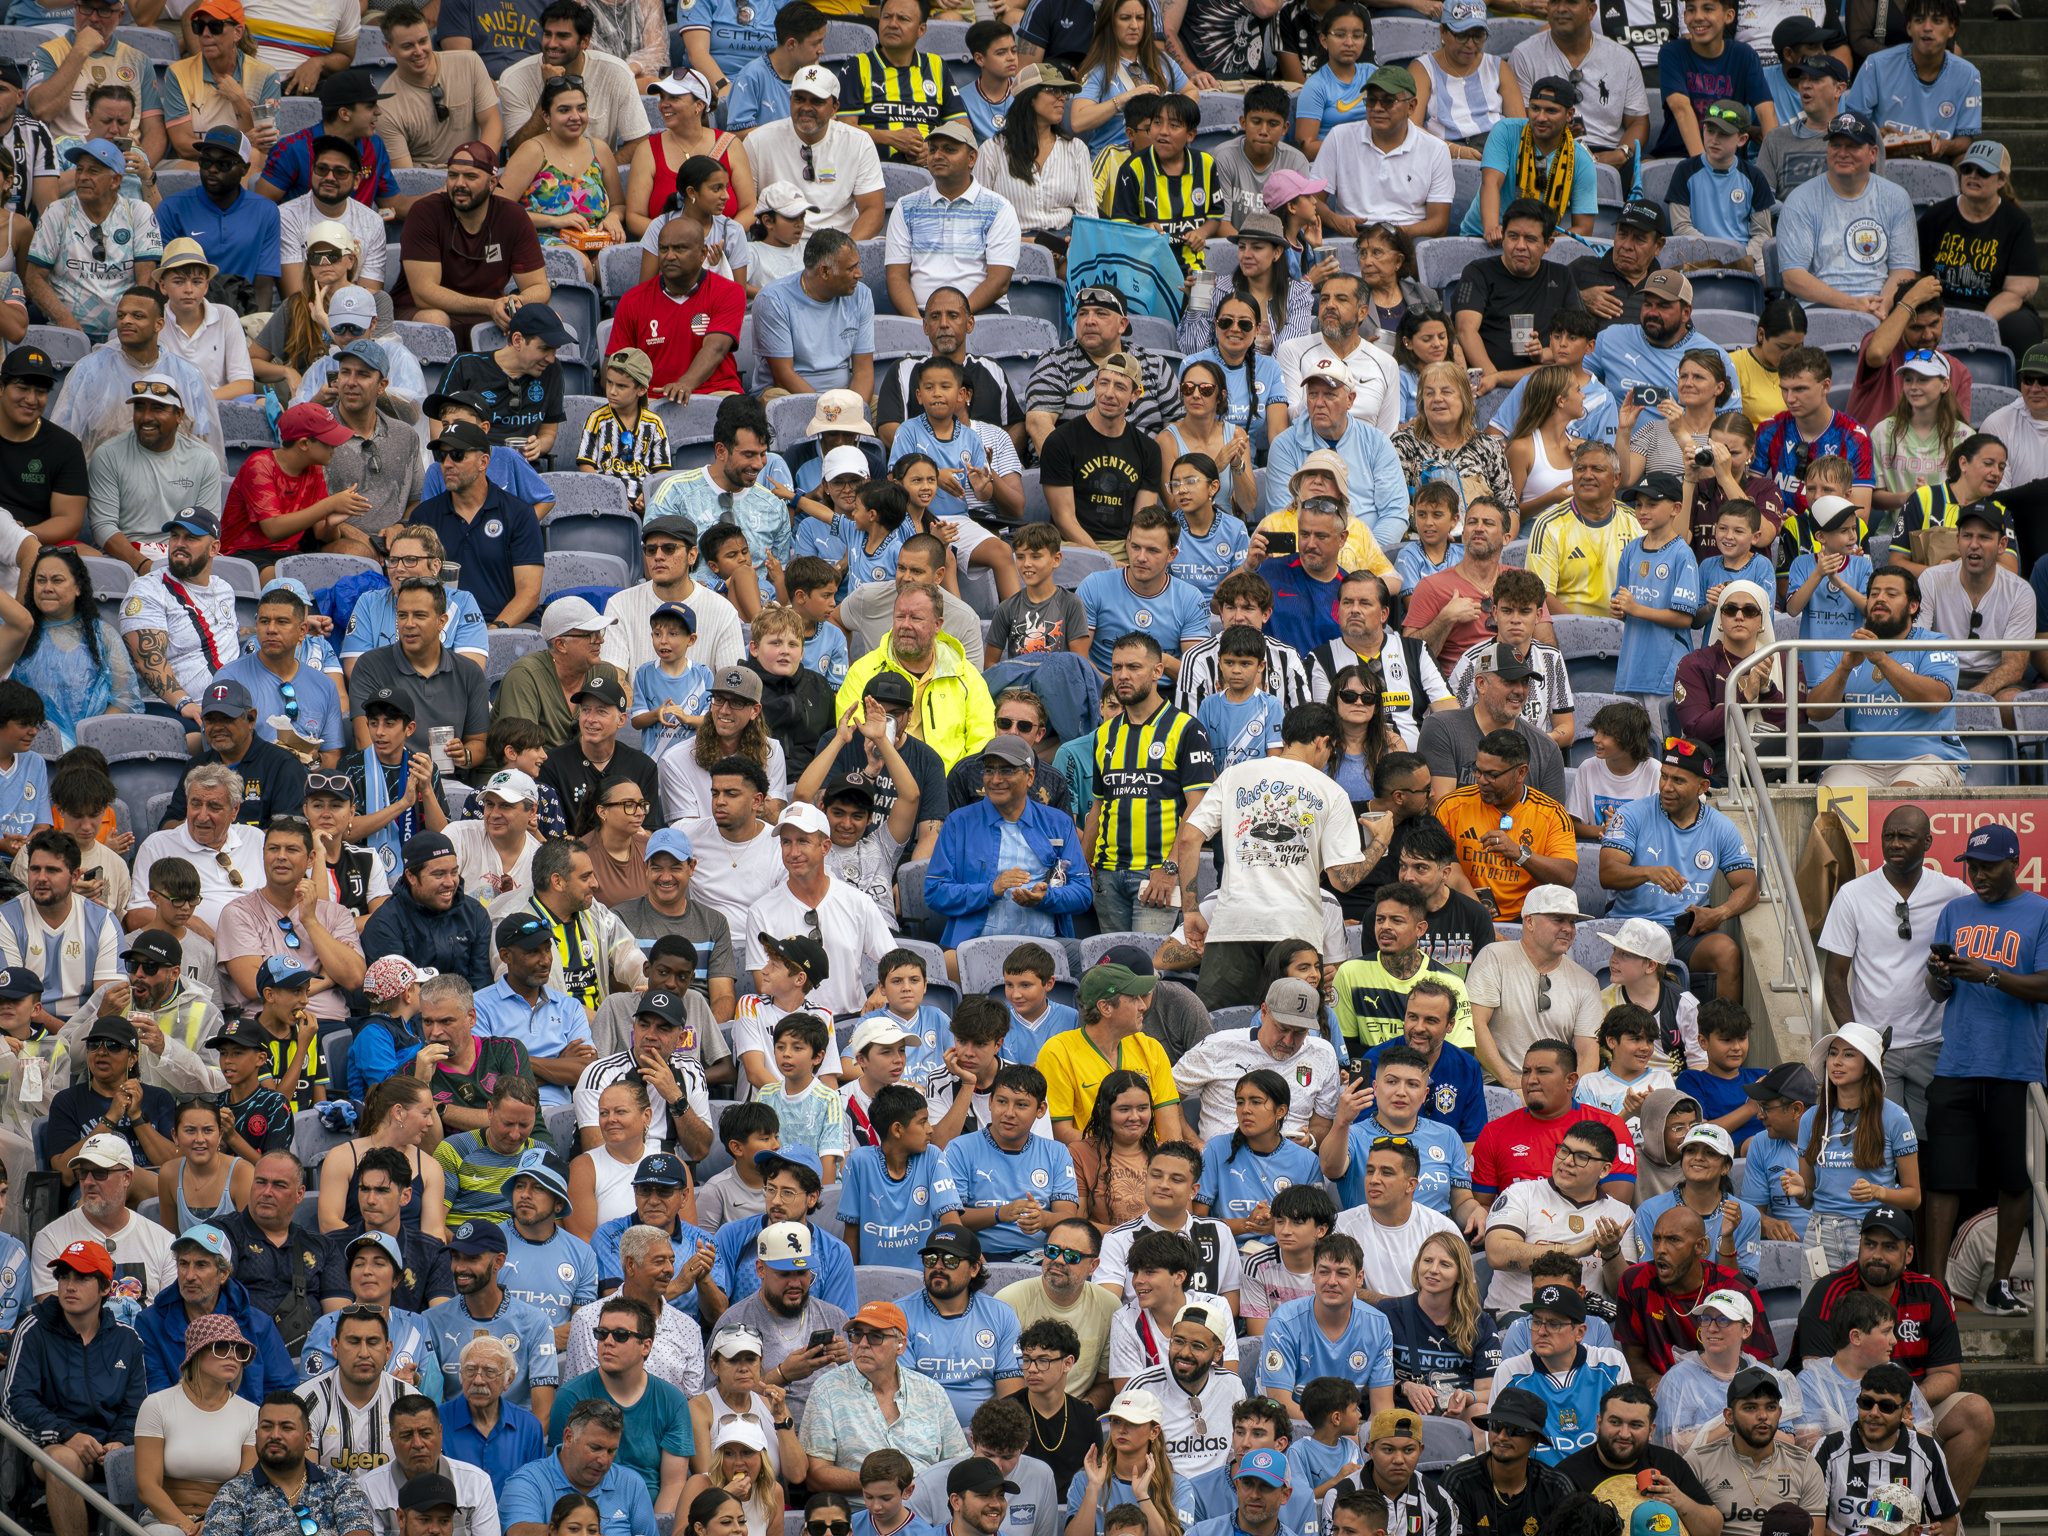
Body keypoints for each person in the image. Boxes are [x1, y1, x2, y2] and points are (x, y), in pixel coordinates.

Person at [390, 144, 549, 344]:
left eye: (470, 177)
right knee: (435, 319)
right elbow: (424, 294)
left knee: (549, 321)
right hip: (422, 311)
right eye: (453, 175)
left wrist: (517, 303)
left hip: (489, 314)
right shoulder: (425, 213)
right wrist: (489, 306)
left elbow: (539, 286)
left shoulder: (512, 216)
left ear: (492, 182)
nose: (459, 184)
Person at [134, 1310, 262, 1536]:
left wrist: (216, 1525)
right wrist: (187, 1527)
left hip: (226, 1520)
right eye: (221, 1347)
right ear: (196, 1353)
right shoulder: (156, 1405)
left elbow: (245, 1490)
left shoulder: (252, 1414)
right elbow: (147, 1487)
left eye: (239, 1350)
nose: (232, 1356)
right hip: (164, 1521)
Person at [1919, 141, 2041, 356]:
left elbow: (2018, 290)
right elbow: (1915, 272)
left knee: (2021, 328)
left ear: (2001, 180)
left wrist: (1982, 323)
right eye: (1967, 168)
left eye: (1983, 171)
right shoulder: (1937, 215)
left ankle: (2025, 387)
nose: (1973, 175)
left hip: (1993, 306)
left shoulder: (2016, 222)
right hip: (1941, 305)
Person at [1682, 1370, 1828, 1536]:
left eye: (1771, 1407)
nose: (1763, 1416)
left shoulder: (1804, 1465)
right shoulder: (1699, 1462)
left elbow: (1815, 1533)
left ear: (1779, 1414)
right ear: (1729, 1416)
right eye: (1750, 1408)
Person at [1439, 1388, 1576, 1536]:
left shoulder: (1556, 1487)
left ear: (1535, 1439)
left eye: (1514, 1429)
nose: (1502, 1436)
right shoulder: (1459, 1482)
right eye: (1496, 1426)